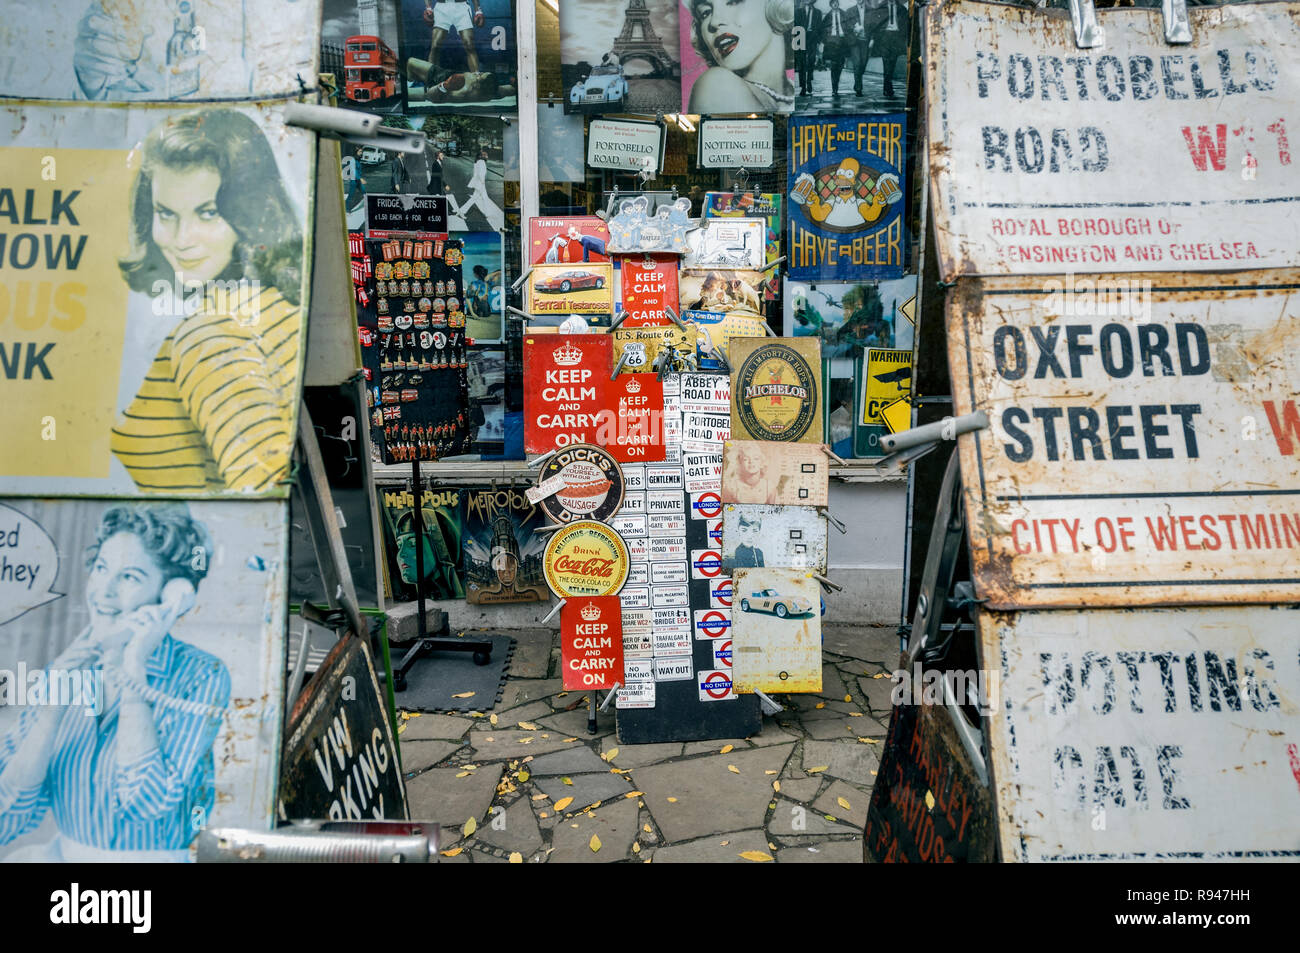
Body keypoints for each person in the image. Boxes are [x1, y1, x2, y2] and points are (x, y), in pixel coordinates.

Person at [0, 504, 229, 861]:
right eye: (102, 568)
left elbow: (145, 802)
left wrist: (134, 666)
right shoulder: (65, 669)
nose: (103, 591)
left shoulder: (201, 675)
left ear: (171, 596)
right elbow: (6, 820)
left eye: (129, 577)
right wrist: (51, 708)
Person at [110, 108, 303, 494]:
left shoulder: (212, 336)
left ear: (250, 212)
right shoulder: (278, 309)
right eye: (166, 214)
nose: (182, 239)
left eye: (208, 212)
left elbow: (260, 493)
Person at [686, 0, 795, 114]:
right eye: (705, 12)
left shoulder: (793, 91)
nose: (714, 21)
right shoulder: (718, 87)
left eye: (733, 1)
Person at [405, 59, 516, 104]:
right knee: (410, 63)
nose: (477, 74)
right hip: (446, 75)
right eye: (481, 73)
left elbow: (430, 96)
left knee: (410, 64)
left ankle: (410, 81)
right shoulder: (495, 91)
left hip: (440, 84)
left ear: (478, 85)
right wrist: (516, 84)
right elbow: (510, 90)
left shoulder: (466, 90)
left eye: (479, 76)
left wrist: (445, 85)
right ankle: (412, 80)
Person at [449, 149, 504, 231]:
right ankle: (464, 212)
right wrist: (482, 183)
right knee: (479, 198)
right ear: (482, 156)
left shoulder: (477, 162)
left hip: (478, 183)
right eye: (486, 155)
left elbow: (476, 173)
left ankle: (463, 212)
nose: (487, 156)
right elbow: (480, 174)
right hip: (480, 184)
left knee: (479, 198)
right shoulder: (481, 162)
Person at [424, 0, 483, 74]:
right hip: (441, 7)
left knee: (469, 45)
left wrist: (478, 11)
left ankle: (477, 78)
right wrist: (428, 8)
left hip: (462, 7)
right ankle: (432, 79)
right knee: (435, 46)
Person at [820, 0, 859, 98]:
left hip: (843, 42)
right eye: (833, 3)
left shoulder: (844, 14)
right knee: (834, 66)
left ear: (838, 4)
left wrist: (849, 37)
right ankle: (834, 88)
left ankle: (836, 85)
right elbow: (822, 30)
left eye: (836, 2)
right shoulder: (827, 16)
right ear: (830, 5)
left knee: (840, 65)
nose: (835, 4)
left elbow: (851, 26)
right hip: (832, 42)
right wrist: (826, 40)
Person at [793, 0, 822, 96]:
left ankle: (809, 80)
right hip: (800, 37)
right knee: (801, 63)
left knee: (811, 60)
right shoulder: (798, 11)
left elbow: (819, 27)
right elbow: (795, 26)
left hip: (812, 38)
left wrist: (818, 40)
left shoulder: (818, 12)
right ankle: (803, 87)